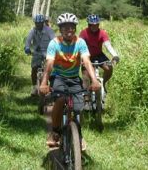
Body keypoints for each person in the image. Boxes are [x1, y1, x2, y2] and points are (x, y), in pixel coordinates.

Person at [39, 13, 101, 150]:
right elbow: (49, 64)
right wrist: (44, 83)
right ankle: (55, 132)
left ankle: (78, 135)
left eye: (72, 27)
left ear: (75, 29)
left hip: (74, 78)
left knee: (79, 108)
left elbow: (87, 62)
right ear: (60, 29)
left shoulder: (80, 43)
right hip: (58, 77)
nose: (69, 30)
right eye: (65, 27)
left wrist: (95, 81)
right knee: (60, 100)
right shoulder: (54, 43)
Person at [79, 14, 120, 93]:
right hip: (87, 56)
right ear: (89, 25)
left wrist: (115, 55)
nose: (95, 27)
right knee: (86, 76)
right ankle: (86, 97)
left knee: (109, 68)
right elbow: (79, 45)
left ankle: (103, 83)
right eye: (92, 25)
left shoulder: (102, 33)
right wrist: (79, 58)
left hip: (99, 54)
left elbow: (108, 45)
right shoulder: (84, 33)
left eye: (96, 25)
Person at [25, 14, 56, 96]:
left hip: (48, 52)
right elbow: (28, 40)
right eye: (36, 23)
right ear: (35, 23)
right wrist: (27, 48)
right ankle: (34, 87)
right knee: (34, 69)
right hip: (37, 52)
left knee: (49, 70)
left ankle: (51, 87)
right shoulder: (32, 30)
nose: (38, 25)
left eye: (40, 23)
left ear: (43, 23)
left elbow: (54, 40)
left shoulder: (49, 30)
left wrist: (55, 49)